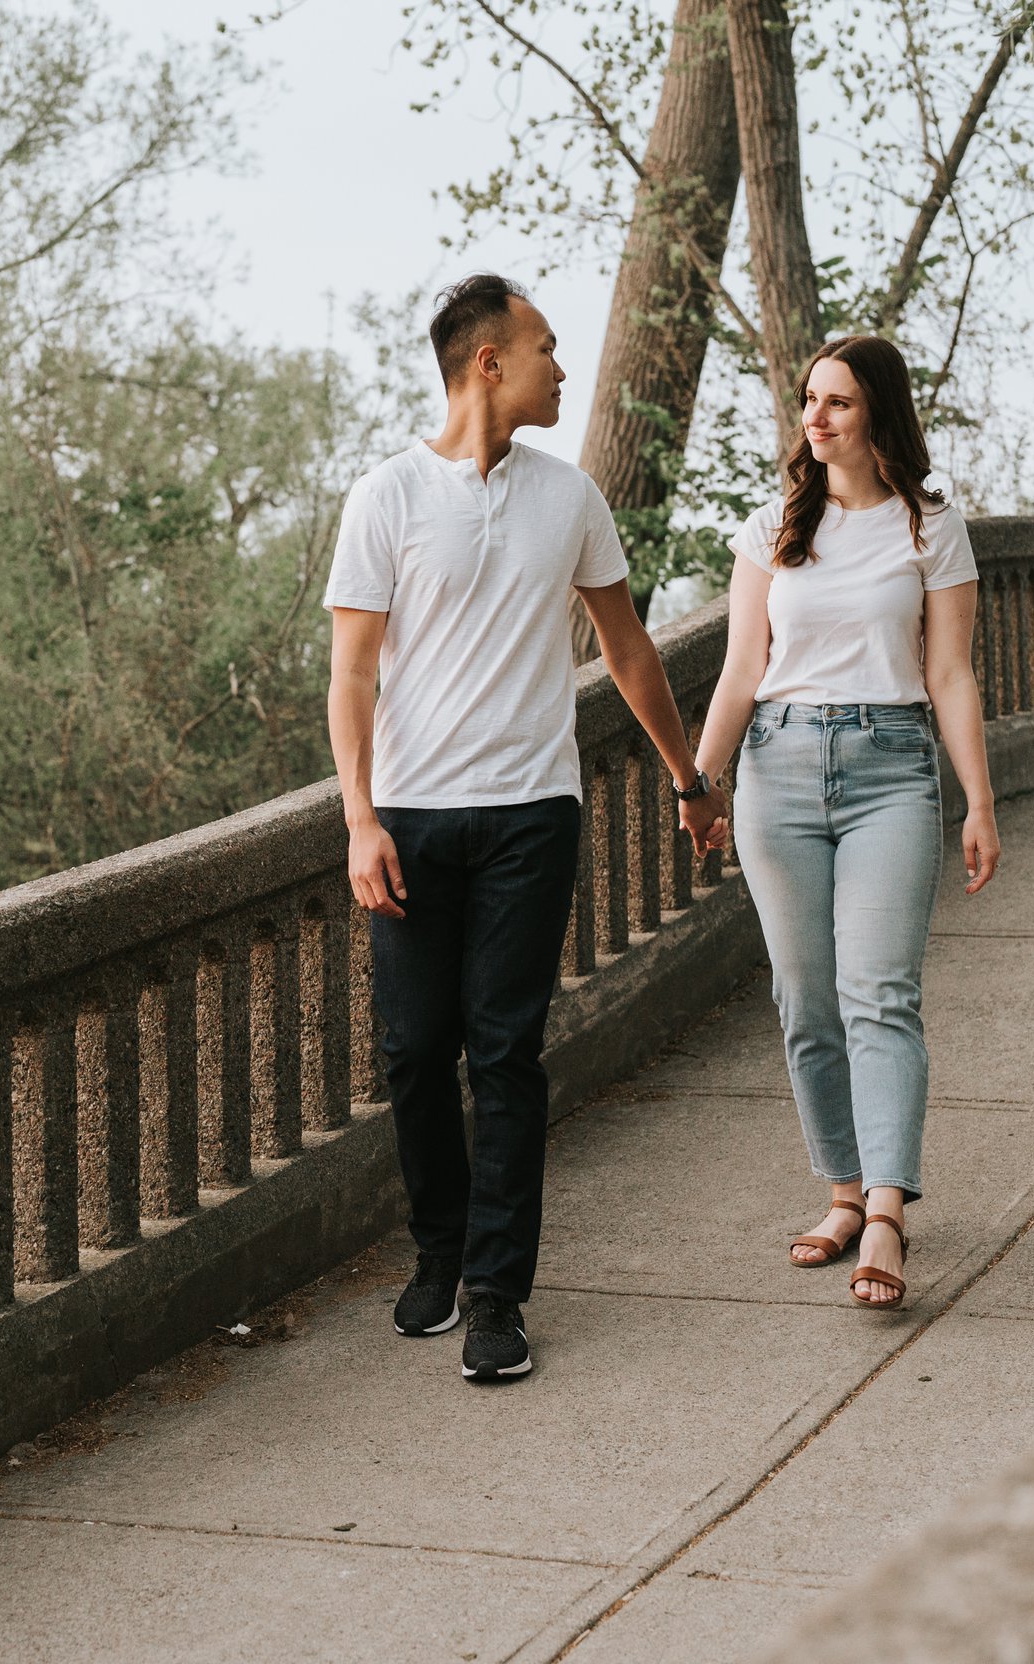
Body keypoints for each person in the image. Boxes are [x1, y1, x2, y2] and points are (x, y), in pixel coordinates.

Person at [325, 273, 724, 1382]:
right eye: (546, 346)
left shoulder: (570, 497)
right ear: (487, 362)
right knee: (414, 1052)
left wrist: (688, 776)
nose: (563, 365)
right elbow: (351, 673)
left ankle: (498, 1292)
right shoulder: (387, 497)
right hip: (407, 816)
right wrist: (358, 819)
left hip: (530, 815)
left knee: (504, 1052)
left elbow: (629, 650)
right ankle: (439, 1250)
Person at [694, 334, 1002, 1310]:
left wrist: (978, 799)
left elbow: (949, 670)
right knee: (803, 995)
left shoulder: (929, 526)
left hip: (889, 767)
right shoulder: (772, 525)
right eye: (808, 401)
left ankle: (883, 1210)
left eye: (836, 402)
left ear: (878, 413)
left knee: (879, 991)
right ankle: (838, 1185)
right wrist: (698, 781)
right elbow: (742, 667)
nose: (814, 418)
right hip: (775, 768)